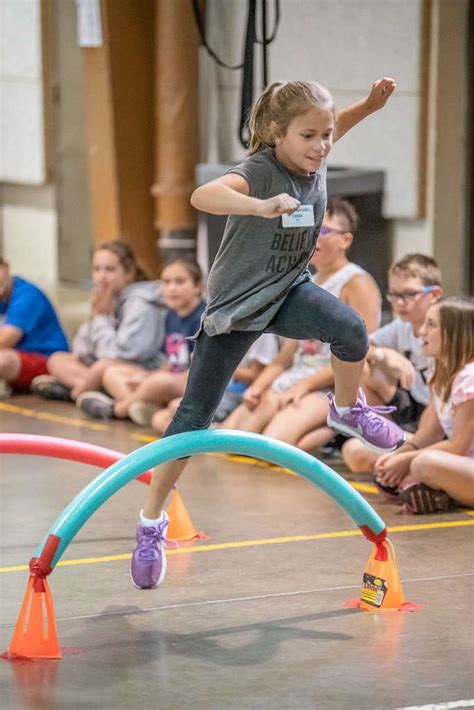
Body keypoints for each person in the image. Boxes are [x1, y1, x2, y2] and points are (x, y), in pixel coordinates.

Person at [130, 76, 406, 590]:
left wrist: (368, 104)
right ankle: (151, 522)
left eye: (326, 135)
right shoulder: (260, 170)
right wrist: (259, 206)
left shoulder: (316, 153)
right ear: (279, 134)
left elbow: (336, 123)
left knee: (350, 329)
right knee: (191, 421)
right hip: (236, 311)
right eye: (310, 136)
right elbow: (202, 195)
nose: (322, 145)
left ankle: (347, 409)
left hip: (289, 291)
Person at [223, 197, 382, 451]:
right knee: (232, 437)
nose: (315, 238)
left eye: (324, 231)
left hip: (329, 386)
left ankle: (335, 429)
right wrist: (260, 386)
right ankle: (324, 435)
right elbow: (288, 354)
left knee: (273, 448)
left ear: (346, 240)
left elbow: (362, 352)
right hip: (294, 379)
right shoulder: (307, 282)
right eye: (311, 229)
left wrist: (304, 386)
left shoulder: (356, 282)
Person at [372, 296, 474, 514]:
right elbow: (432, 430)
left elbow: (458, 446)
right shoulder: (438, 370)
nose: (421, 332)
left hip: (464, 459)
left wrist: (408, 460)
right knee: (393, 469)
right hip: (463, 463)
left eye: (432, 325)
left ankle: (445, 495)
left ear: (455, 334)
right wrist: (401, 456)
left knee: (422, 464)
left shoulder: (470, 378)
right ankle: (437, 493)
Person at [342, 254, 442, 473]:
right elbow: (358, 345)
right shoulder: (401, 327)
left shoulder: (450, 334)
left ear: (434, 295)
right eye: (395, 295)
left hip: (440, 425)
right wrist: (383, 353)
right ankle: (383, 436)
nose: (399, 303)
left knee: (357, 453)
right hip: (415, 414)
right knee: (354, 452)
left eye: (409, 294)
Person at [32, 240, 165, 403]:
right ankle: (96, 392)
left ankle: (79, 392)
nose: (102, 276)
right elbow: (82, 351)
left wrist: (101, 319)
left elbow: (126, 353)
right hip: (106, 366)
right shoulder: (108, 299)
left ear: (129, 273)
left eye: (110, 269)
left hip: (138, 368)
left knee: (104, 369)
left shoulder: (141, 304)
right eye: (97, 269)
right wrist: (95, 316)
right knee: (57, 360)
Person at [76, 258, 206, 422]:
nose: (172, 288)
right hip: (170, 376)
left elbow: (200, 371)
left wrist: (152, 380)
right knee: (112, 372)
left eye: (179, 282)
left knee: (158, 382)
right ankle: (146, 406)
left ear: (197, 286)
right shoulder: (171, 316)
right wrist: (147, 377)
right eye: (166, 282)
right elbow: (171, 363)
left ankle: (116, 410)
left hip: (194, 381)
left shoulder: (203, 318)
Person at [151, 333, 280, 434]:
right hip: (219, 387)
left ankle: (210, 432)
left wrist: (218, 363)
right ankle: (206, 431)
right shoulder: (223, 326)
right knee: (159, 418)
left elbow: (256, 375)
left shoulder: (264, 337)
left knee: (175, 410)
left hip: (238, 393)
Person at [0, 256, 69, 397]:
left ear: (5, 267)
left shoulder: (27, 295)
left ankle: (57, 382)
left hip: (50, 360)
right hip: (21, 361)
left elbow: (4, 340)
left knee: (2, 360)